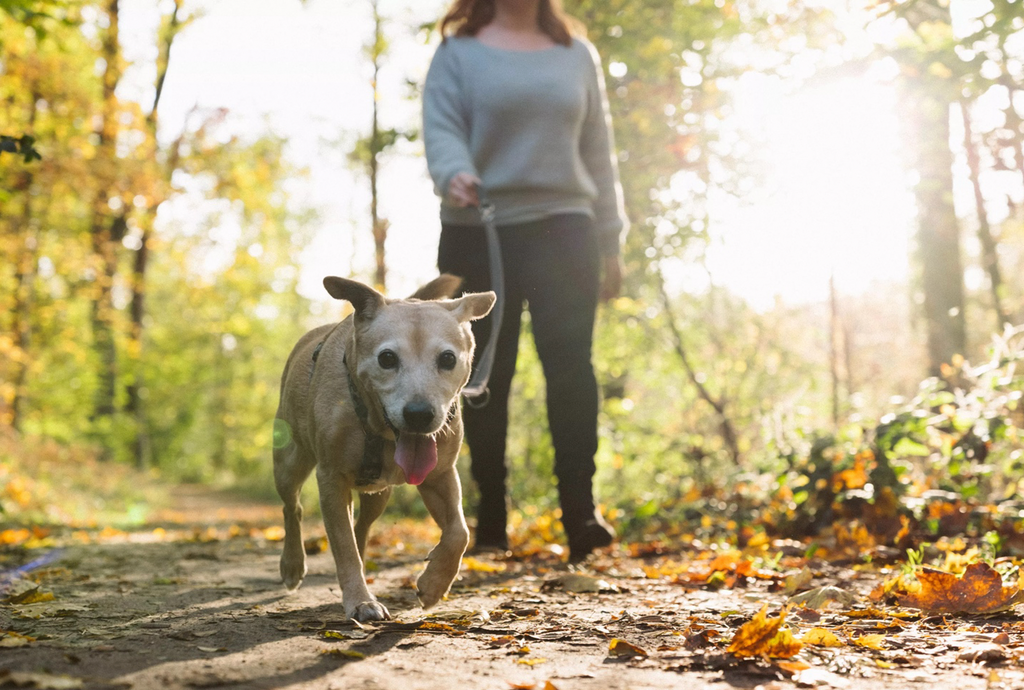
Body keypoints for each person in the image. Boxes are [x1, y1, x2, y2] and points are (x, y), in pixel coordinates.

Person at [423, 0, 629, 562]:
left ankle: (581, 514)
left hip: (567, 229)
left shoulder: (575, 53)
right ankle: (490, 518)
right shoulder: (457, 51)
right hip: (479, 228)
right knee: (485, 373)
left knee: (570, 366)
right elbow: (440, 127)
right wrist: (452, 171)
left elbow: (598, 151)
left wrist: (612, 239)